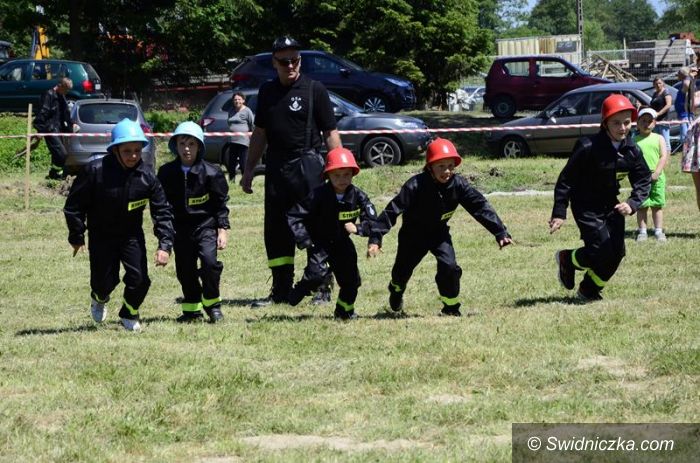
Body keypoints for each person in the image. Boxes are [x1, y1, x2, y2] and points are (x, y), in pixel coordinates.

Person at [240, 36, 342, 307]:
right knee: (276, 229)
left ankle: (321, 285)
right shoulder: (267, 91)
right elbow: (259, 133)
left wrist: (339, 169)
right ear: (274, 63)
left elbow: (330, 132)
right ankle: (281, 289)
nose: (290, 66)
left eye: (294, 60)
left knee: (316, 226)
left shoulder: (315, 90)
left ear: (300, 60)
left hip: (308, 165)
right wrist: (249, 169)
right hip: (276, 167)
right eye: (284, 61)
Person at [376, 138, 512, 317]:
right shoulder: (415, 185)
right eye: (440, 166)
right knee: (402, 272)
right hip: (413, 236)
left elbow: (479, 206)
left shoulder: (458, 185)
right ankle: (396, 289)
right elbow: (392, 211)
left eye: (450, 166)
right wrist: (376, 236)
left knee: (450, 267)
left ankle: (451, 308)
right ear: (429, 166)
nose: (446, 171)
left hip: (439, 234)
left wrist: (500, 232)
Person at [64, 119, 174, 331]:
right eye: (127, 151)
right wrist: (77, 236)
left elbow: (162, 211)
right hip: (101, 236)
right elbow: (74, 206)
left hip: (131, 236)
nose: (133, 156)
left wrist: (165, 244)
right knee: (104, 282)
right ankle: (99, 297)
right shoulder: (94, 171)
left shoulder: (147, 176)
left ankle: (129, 313)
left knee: (140, 280)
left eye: (137, 150)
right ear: (115, 150)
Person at [550, 95, 651, 302]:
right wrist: (559, 212)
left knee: (617, 253)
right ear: (605, 123)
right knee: (601, 251)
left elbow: (643, 180)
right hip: (585, 205)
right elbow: (565, 181)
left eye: (626, 122)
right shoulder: (587, 146)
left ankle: (588, 290)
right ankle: (568, 258)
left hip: (611, 205)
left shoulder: (632, 150)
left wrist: (632, 204)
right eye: (616, 123)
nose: (622, 128)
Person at [286, 147, 382, 320]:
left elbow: (374, 222)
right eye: (336, 175)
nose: (342, 179)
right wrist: (304, 239)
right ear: (328, 175)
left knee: (351, 281)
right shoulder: (317, 195)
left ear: (353, 174)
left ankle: (344, 312)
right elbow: (294, 216)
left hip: (342, 243)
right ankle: (300, 290)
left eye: (346, 175)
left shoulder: (359, 196)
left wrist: (359, 229)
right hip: (319, 243)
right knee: (316, 276)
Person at [158, 122, 230, 323]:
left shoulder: (212, 172)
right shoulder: (166, 173)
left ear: (199, 147)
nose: (187, 149)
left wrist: (222, 229)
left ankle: (213, 305)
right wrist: (164, 241)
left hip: (205, 226)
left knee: (210, 263)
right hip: (180, 229)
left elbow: (220, 204)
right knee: (185, 270)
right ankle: (192, 310)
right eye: (182, 144)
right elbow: (161, 207)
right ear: (175, 146)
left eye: (191, 144)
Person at [633, 108, 669, 242]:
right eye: (643, 121)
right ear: (637, 123)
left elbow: (663, 156)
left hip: (657, 177)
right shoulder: (634, 141)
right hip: (640, 179)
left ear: (654, 123)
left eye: (649, 121)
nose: (646, 124)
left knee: (657, 205)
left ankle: (658, 231)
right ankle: (642, 231)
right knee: (641, 206)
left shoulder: (659, 138)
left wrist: (657, 172)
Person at [34, 77, 73, 179]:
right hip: (49, 130)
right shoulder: (48, 95)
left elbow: (65, 114)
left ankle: (54, 175)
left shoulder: (62, 96)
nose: (67, 92)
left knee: (57, 155)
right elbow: (42, 113)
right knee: (62, 154)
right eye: (66, 89)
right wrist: (40, 130)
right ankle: (54, 173)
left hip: (59, 129)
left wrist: (71, 127)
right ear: (60, 86)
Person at [225, 92, 255, 183]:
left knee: (243, 164)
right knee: (231, 163)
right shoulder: (231, 111)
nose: (237, 101)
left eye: (239, 99)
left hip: (243, 142)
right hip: (232, 141)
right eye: (235, 99)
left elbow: (252, 125)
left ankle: (245, 182)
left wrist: (252, 138)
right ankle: (231, 181)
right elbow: (229, 122)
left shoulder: (247, 111)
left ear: (243, 100)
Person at [649, 77, 673, 152]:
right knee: (658, 142)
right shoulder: (655, 94)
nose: (658, 85)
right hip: (655, 121)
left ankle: (667, 157)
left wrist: (659, 113)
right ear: (653, 85)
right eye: (656, 84)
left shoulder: (666, 92)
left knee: (666, 142)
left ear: (663, 84)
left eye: (659, 83)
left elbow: (668, 105)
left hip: (664, 121)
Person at [675, 67, 696, 145]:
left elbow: (687, 86)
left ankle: (687, 146)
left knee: (685, 135)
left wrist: (688, 76)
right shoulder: (685, 82)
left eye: (679, 74)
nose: (677, 76)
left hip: (685, 113)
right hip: (682, 112)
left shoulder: (687, 82)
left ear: (682, 74)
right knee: (685, 133)